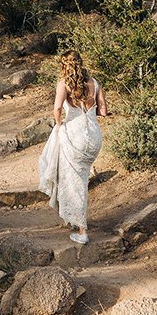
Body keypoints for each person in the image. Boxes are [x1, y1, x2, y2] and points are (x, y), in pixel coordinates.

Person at [37, 50, 107, 244]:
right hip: (93, 137)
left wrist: (59, 125)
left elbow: (57, 108)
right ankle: (74, 218)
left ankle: (82, 230)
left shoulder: (64, 83)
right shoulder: (95, 82)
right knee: (80, 179)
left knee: (74, 181)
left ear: (64, 64)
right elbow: (104, 111)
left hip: (74, 135)